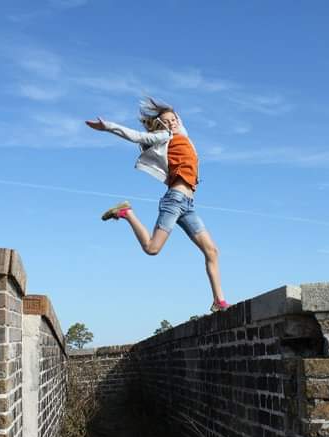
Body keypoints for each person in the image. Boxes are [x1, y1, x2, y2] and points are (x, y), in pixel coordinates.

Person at [85, 98, 230, 312]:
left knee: (212, 251)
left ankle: (219, 301)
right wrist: (108, 126)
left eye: (174, 119)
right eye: (167, 121)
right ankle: (127, 213)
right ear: (162, 126)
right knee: (152, 248)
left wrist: (171, 112)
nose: (172, 123)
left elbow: (178, 122)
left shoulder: (185, 136)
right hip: (175, 200)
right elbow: (137, 136)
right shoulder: (166, 137)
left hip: (188, 205)